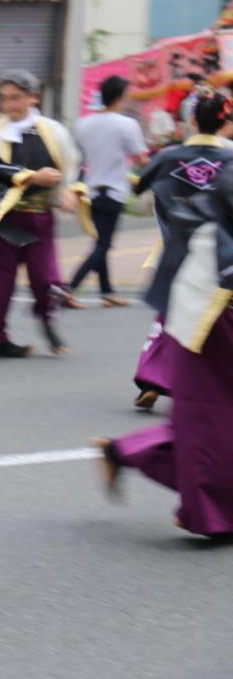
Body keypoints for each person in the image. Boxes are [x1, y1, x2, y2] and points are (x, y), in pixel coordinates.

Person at [94, 107, 233, 537]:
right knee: (209, 409)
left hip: (191, 281)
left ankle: (132, 454)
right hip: (214, 291)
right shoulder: (228, 163)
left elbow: (134, 190)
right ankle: (206, 504)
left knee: (206, 407)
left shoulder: (175, 156)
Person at [123, 92, 233, 412]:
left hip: (176, 247)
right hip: (221, 256)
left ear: (192, 120)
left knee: (169, 316)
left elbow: (137, 189)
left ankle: (152, 376)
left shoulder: (168, 157)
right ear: (225, 123)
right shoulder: (231, 159)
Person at [0, 70, 85, 358]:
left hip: (38, 216)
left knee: (46, 278)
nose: (9, 105)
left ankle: (47, 320)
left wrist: (69, 191)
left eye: (16, 98)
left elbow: (71, 165)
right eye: (4, 99)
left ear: (34, 97)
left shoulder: (54, 131)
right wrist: (33, 177)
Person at [64, 75, 148, 308]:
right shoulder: (126, 124)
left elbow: (77, 156)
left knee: (101, 241)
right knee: (104, 244)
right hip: (115, 191)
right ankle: (69, 289)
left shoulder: (83, 124)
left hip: (91, 191)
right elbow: (142, 158)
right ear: (121, 96)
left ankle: (107, 291)